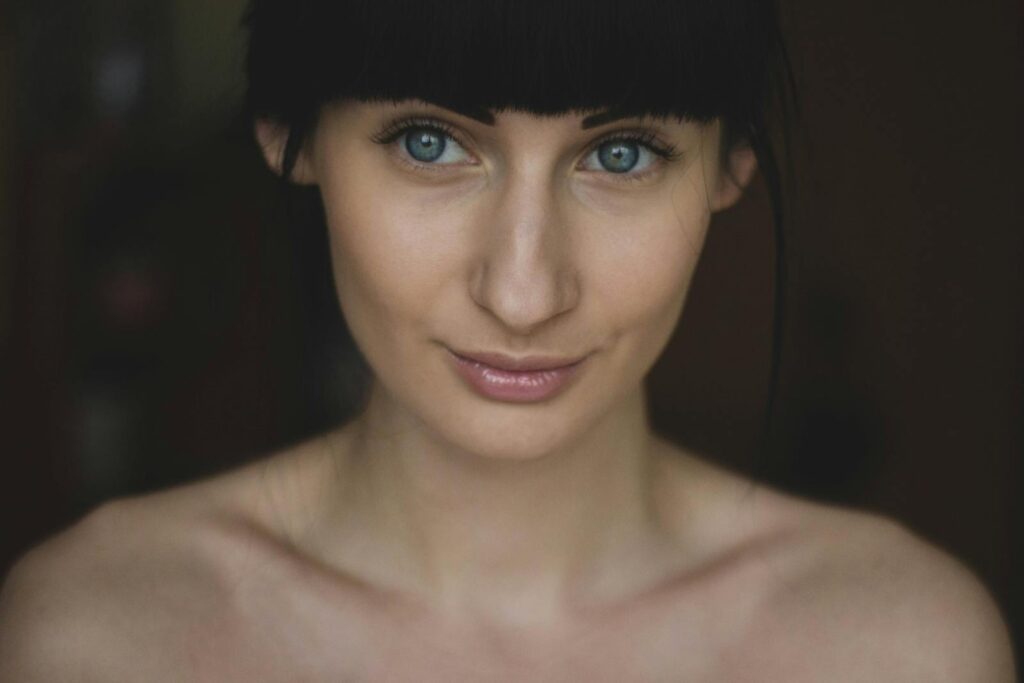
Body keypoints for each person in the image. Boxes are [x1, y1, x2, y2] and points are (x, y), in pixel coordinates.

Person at [0, 0, 1015, 679]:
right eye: (430, 142)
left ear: (730, 164)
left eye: (621, 152)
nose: (524, 291)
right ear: (288, 132)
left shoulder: (899, 649)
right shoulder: (90, 637)